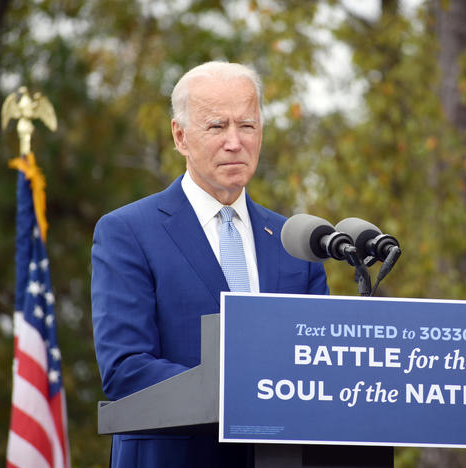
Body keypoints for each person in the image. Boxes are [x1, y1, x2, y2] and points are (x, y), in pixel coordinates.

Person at [91, 61, 329, 467]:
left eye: (248, 126)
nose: (235, 142)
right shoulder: (128, 232)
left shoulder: (297, 241)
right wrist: (243, 391)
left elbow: (320, 361)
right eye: (217, 126)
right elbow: (126, 369)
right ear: (180, 136)